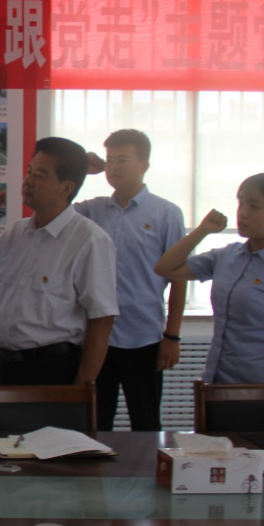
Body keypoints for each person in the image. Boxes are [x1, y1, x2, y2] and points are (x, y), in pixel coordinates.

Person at [0, 137, 118, 386]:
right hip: (5, 365)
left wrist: (80, 391)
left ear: (67, 188)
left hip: (54, 369)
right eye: (30, 171)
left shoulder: (89, 240)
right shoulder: (17, 232)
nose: (28, 181)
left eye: (41, 175)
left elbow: (102, 320)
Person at [154, 173, 264, 384]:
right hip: (216, 381)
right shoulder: (227, 256)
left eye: (254, 206)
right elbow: (165, 268)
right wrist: (202, 230)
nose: (243, 213)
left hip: (259, 387)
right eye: (241, 203)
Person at [74, 129, 186, 430]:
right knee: (95, 423)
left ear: (144, 165)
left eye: (122, 160)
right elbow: (52, 210)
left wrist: (172, 336)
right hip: (98, 335)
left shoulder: (167, 213)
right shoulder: (92, 210)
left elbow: (179, 278)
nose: (113, 167)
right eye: (109, 160)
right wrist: (80, 169)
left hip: (144, 336)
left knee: (146, 423)